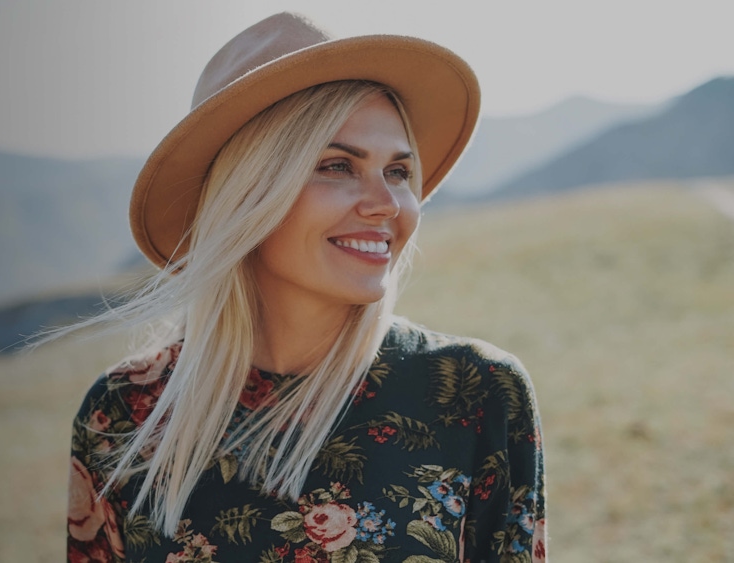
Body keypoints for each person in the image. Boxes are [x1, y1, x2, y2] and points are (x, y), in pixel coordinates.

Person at [62, 12, 546, 562]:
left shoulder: (474, 392)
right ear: (247, 196)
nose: (386, 204)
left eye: (398, 172)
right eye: (338, 165)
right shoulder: (122, 414)